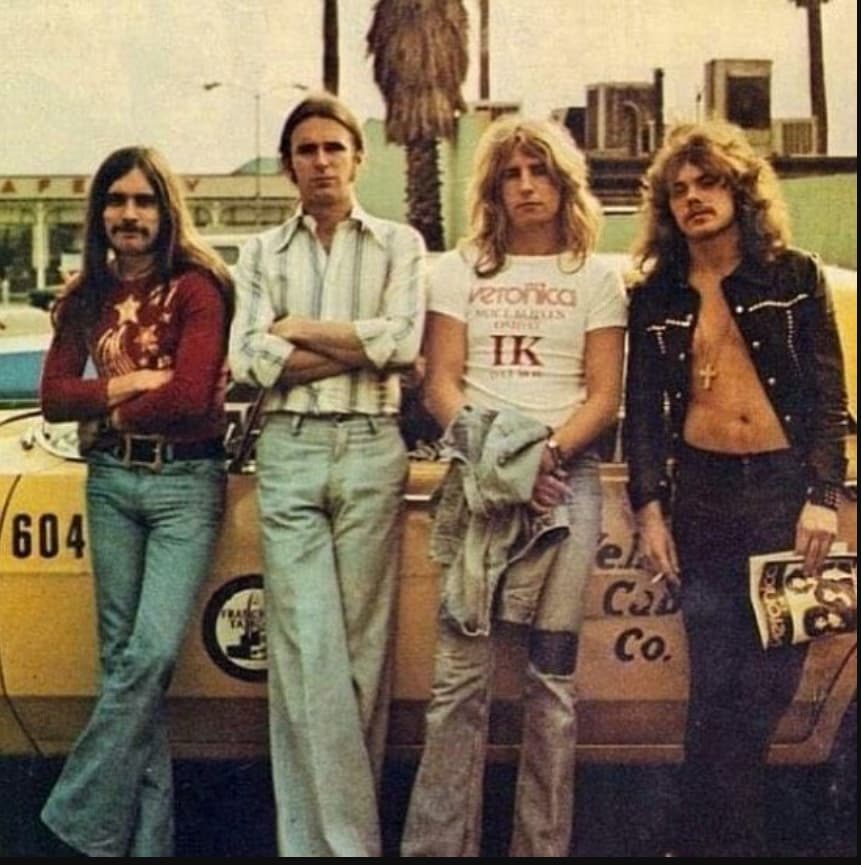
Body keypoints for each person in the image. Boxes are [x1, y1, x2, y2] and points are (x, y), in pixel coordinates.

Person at [401, 116, 627, 857]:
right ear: (493, 188)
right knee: (457, 686)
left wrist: (545, 459)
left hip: (567, 484)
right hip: (480, 483)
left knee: (551, 686)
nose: (527, 186)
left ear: (564, 183)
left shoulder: (594, 276)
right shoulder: (460, 268)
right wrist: (508, 466)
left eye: (540, 171)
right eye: (511, 174)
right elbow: (440, 384)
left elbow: (603, 396)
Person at [623, 120, 848, 857]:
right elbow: (643, 411)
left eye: (708, 182)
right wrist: (649, 508)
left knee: (761, 694)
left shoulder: (793, 277)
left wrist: (821, 495)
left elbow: (827, 397)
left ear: (740, 190)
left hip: (782, 496)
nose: (693, 198)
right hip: (703, 496)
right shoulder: (656, 295)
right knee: (713, 690)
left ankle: (700, 840)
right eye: (678, 189)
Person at [228, 92, 426, 857]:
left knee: (362, 656)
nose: (320, 162)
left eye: (332, 147)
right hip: (289, 449)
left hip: (373, 447)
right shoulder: (262, 252)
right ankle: (346, 847)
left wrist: (298, 331)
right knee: (306, 649)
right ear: (289, 165)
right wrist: (357, 348)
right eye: (305, 150)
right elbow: (248, 362)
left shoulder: (399, 243)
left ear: (357, 157)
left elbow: (404, 343)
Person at [39, 146, 234, 857]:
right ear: (100, 213)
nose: (129, 214)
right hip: (112, 484)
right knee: (123, 664)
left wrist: (109, 412)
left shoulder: (198, 287)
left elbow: (191, 396)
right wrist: (127, 383)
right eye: (116, 201)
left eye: (143, 200)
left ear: (165, 209)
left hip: (186, 483)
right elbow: (55, 396)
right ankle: (146, 845)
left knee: (147, 657)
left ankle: (73, 817)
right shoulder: (85, 296)